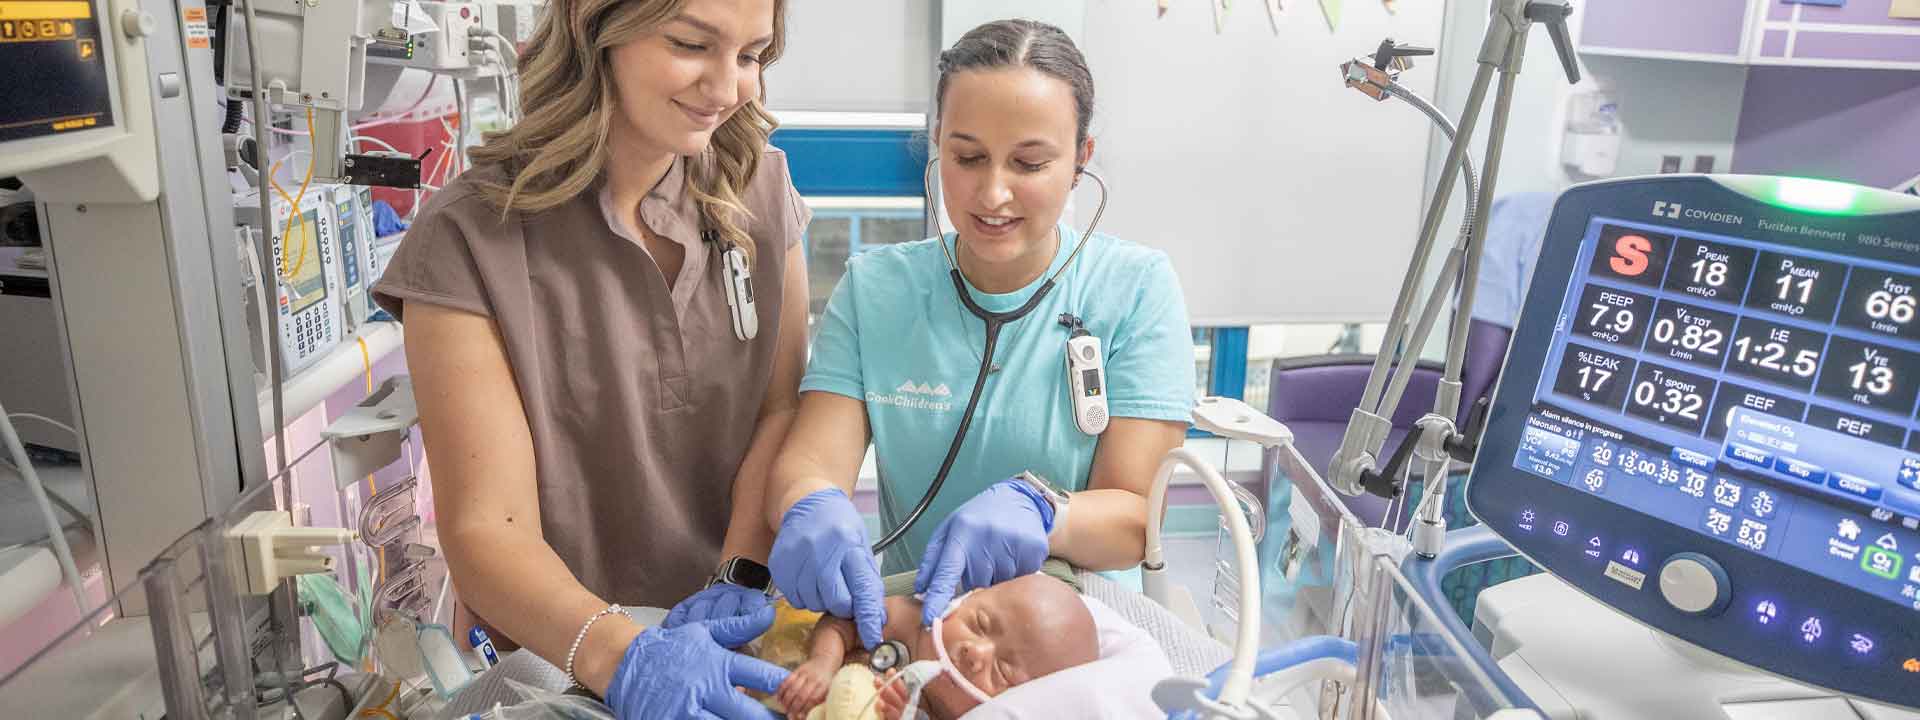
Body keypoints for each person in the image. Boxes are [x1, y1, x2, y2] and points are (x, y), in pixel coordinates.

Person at [370, 0, 808, 716]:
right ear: (594, 28)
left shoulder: (756, 188)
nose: (727, 88)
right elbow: (488, 527)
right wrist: (623, 655)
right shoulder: (470, 239)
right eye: (691, 44)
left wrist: (738, 579)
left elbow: (780, 409)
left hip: (744, 636)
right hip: (562, 663)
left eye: (751, 55)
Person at [761, 19, 1197, 648]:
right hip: (915, 625)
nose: (992, 193)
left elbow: (1136, 515)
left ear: (1080, 160)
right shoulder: (876, 290)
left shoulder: (1134, 289)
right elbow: (812, 461)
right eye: (967, 157)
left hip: (1076, 631)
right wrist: (810, 502)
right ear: (938, 143)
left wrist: (1047, 513)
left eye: (1029, 163)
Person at [772, 574, 1099, 720]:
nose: (975, 652)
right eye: (979, 624)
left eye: (1002, 672)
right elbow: (841, 622)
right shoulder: (913, 624)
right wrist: (823, 663)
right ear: (968, 598)